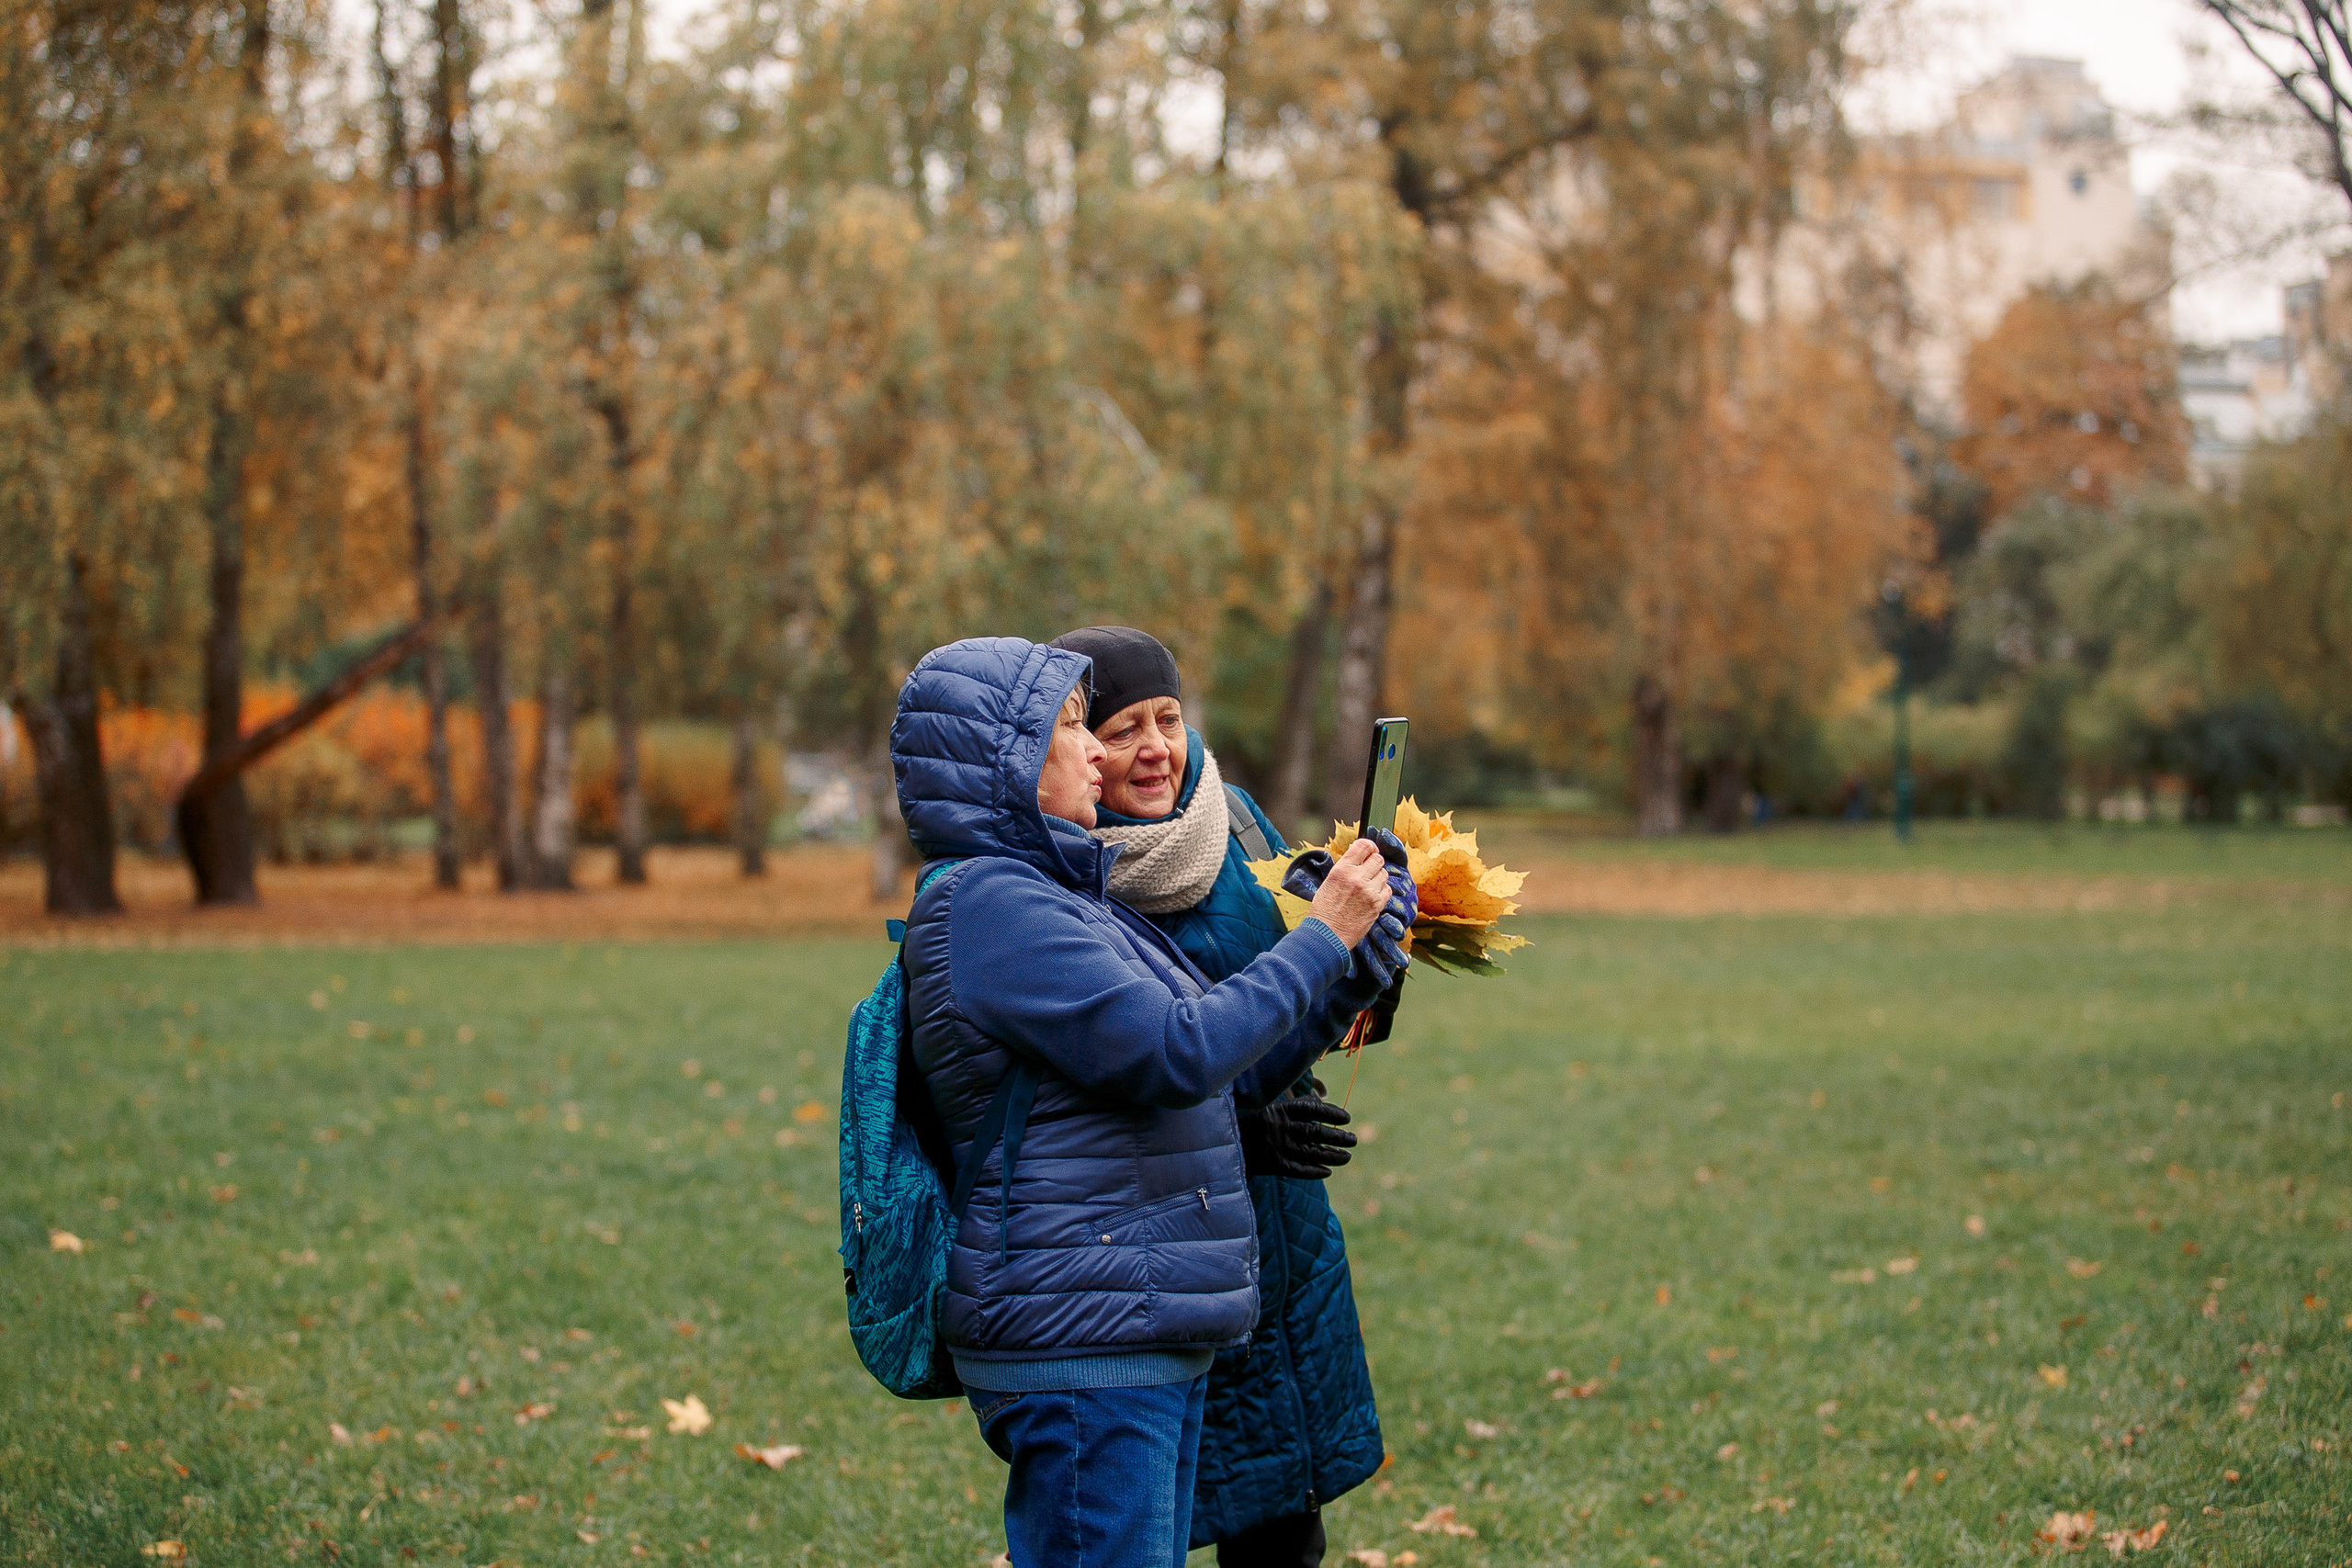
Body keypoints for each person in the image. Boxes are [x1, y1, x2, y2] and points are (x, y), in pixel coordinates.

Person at [891, 636, 1415, 1568]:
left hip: (1146, 1314)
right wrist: (1323, 938)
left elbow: (1220, 1064)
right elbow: (1182, 1051)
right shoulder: (995, 907)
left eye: (1161, 721)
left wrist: (1348, 966)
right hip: (1086, 1331)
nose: (1109, 750)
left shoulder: (1057, 893)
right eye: (1078, 730)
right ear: (1003, 759)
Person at [1052, 626, 1390, 1568]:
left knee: (1286, 1534)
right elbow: (1097, 1082)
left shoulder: (1233, 817)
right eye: (1122, 730)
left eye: (1167, 716)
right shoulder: (1060, 880)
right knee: (1140, 1529)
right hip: (1158, 1262)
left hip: (1279, 1246)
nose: (1156, 746)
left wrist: (1373, 949)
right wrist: (1242, 1126)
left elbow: (1298, 981)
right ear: (1076, 745)